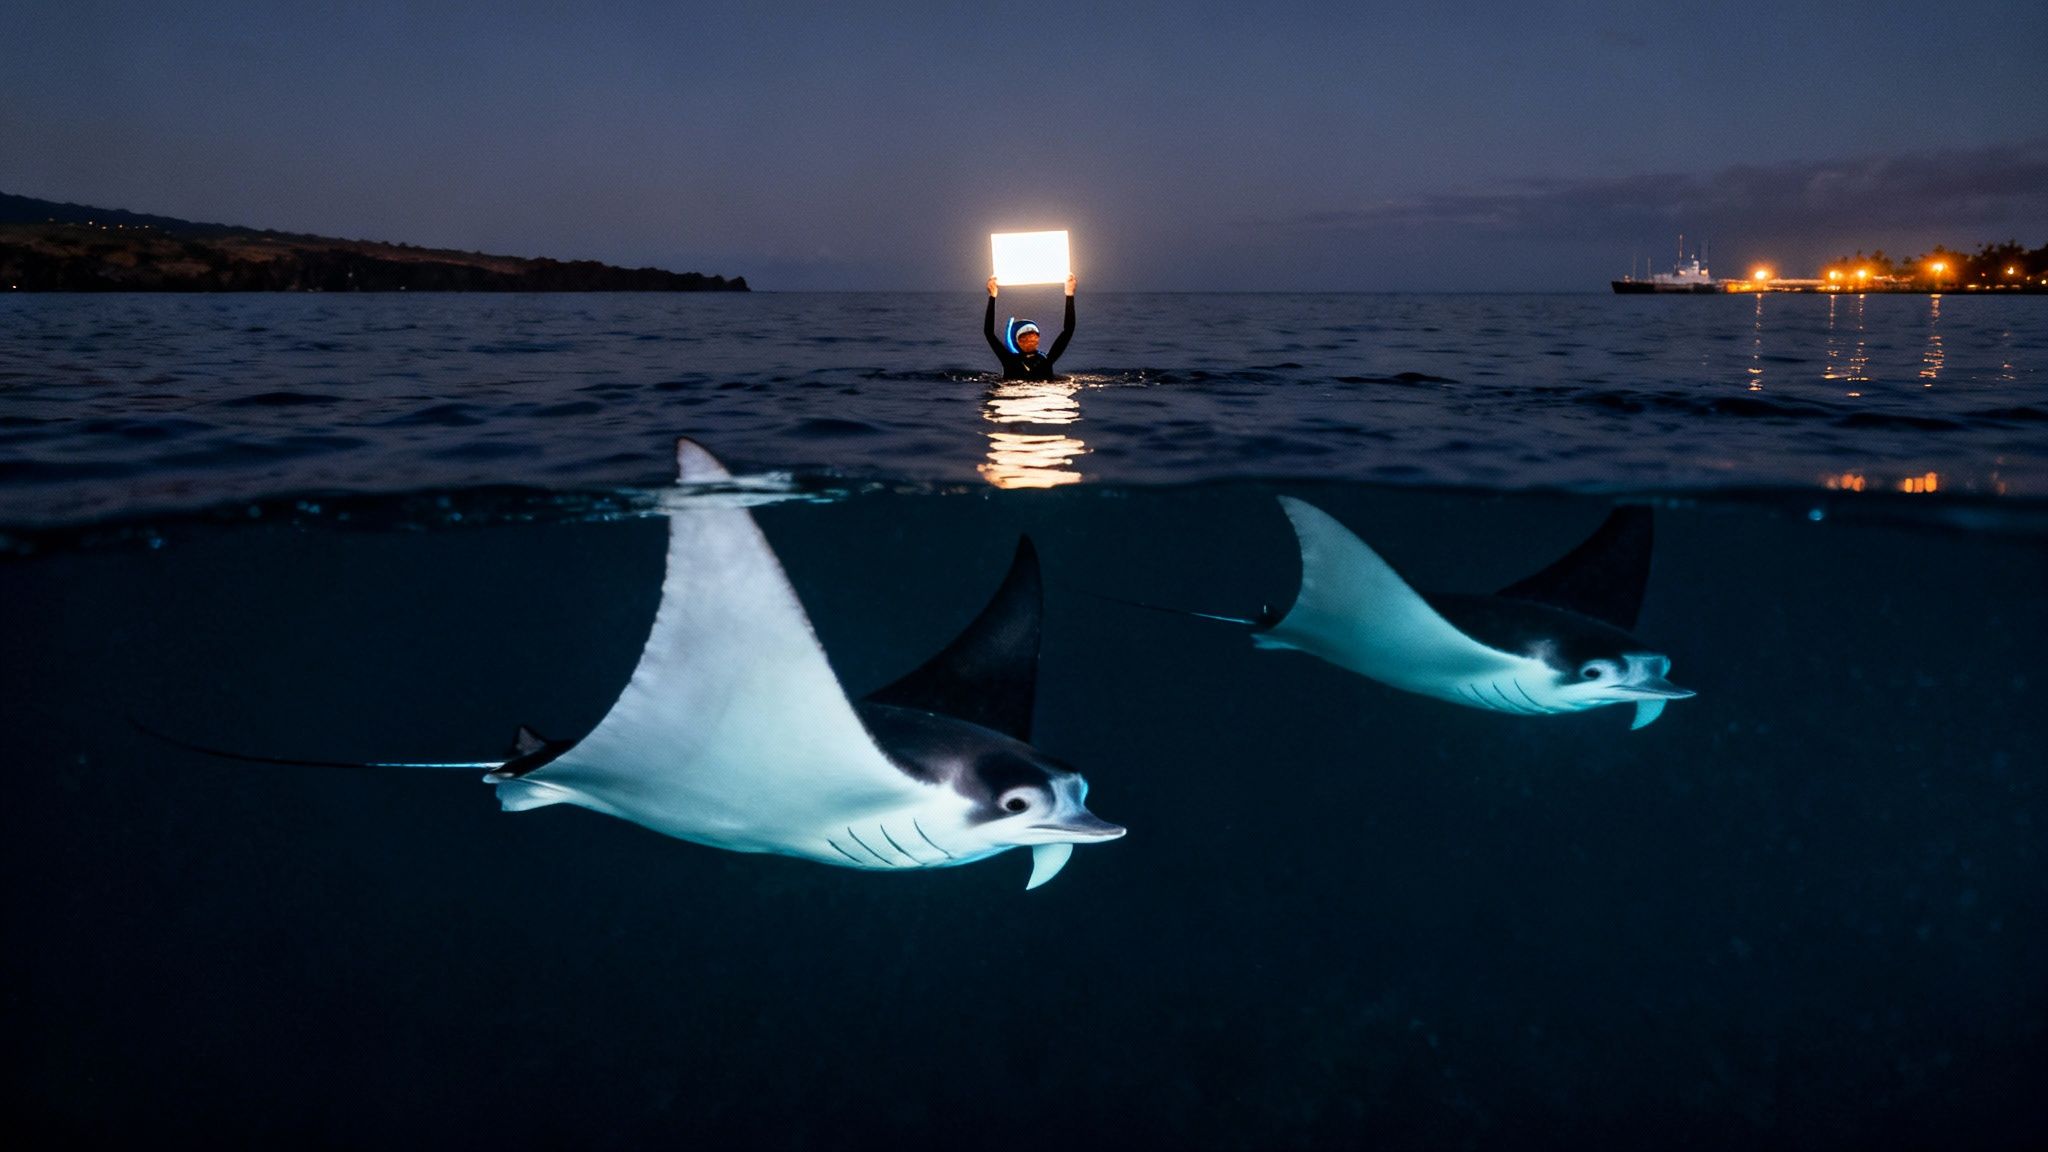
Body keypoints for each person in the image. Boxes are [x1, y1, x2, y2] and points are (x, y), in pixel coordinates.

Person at [984, 273, 1076, 380]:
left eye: (1034, 334)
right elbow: (989, 333)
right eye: (1024, 335)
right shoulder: (1009, 360)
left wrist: (1069, 294)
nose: (1031, 337)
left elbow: (1068, 330)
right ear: (1016, 340)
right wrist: (992, 296)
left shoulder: (1045, 360)